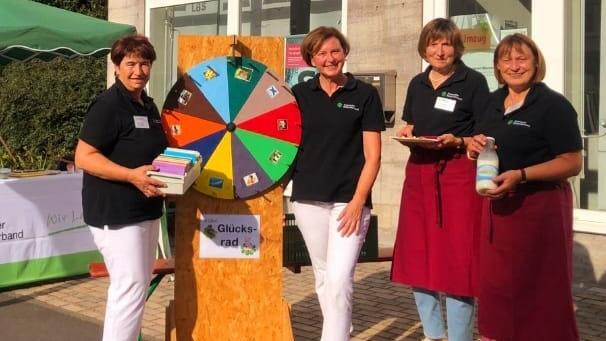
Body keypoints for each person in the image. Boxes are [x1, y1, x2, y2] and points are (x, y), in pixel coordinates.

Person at [467, 33, 581, 341]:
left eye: (522, 59)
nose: (515, 66)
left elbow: (572, 162)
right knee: (497, 286)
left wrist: (522, 174)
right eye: (507, 59)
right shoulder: (491, 102)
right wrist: (472, 148)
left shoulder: (554, 106)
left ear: (536, 63)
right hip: (496, 205)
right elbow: (480, 143)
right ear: (498, 67)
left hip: (539, 207)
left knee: (540, 286)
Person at [390, 18, 490, 341]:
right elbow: (411, 124)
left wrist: (459, 142)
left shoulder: (473, 82)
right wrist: (407, 132)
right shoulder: (417, 84)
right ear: (424, 47)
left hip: (459, 175)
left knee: (459, 263)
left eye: (446, 43)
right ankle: (433, 334)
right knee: (419, 259)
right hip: (419, 175)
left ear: (456, 47)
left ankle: (460, 338)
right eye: (433, 43)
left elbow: (485, 134)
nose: (440, 50)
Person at [290, 26, 385, 341]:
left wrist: (359, 201)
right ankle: (341, 326)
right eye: (321, 53)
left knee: (340, 278)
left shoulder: (365, 95)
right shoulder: (299, 95)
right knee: (323, 276)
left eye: (335, 51)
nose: (329, 58)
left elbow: (373, 157)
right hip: (307, 199)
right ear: (311, 59)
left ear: (344, 53)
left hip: (349, 201)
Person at [74, 35, 167, 341]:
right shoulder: (108, 105)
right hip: (115, 214)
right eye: (130, 63)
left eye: (144, 63)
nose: (138, 70)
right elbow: (83, 158)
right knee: (128, 289)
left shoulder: (148, 105)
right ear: (116, 67)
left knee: (136, 286)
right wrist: (131, 176)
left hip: (146, 209)